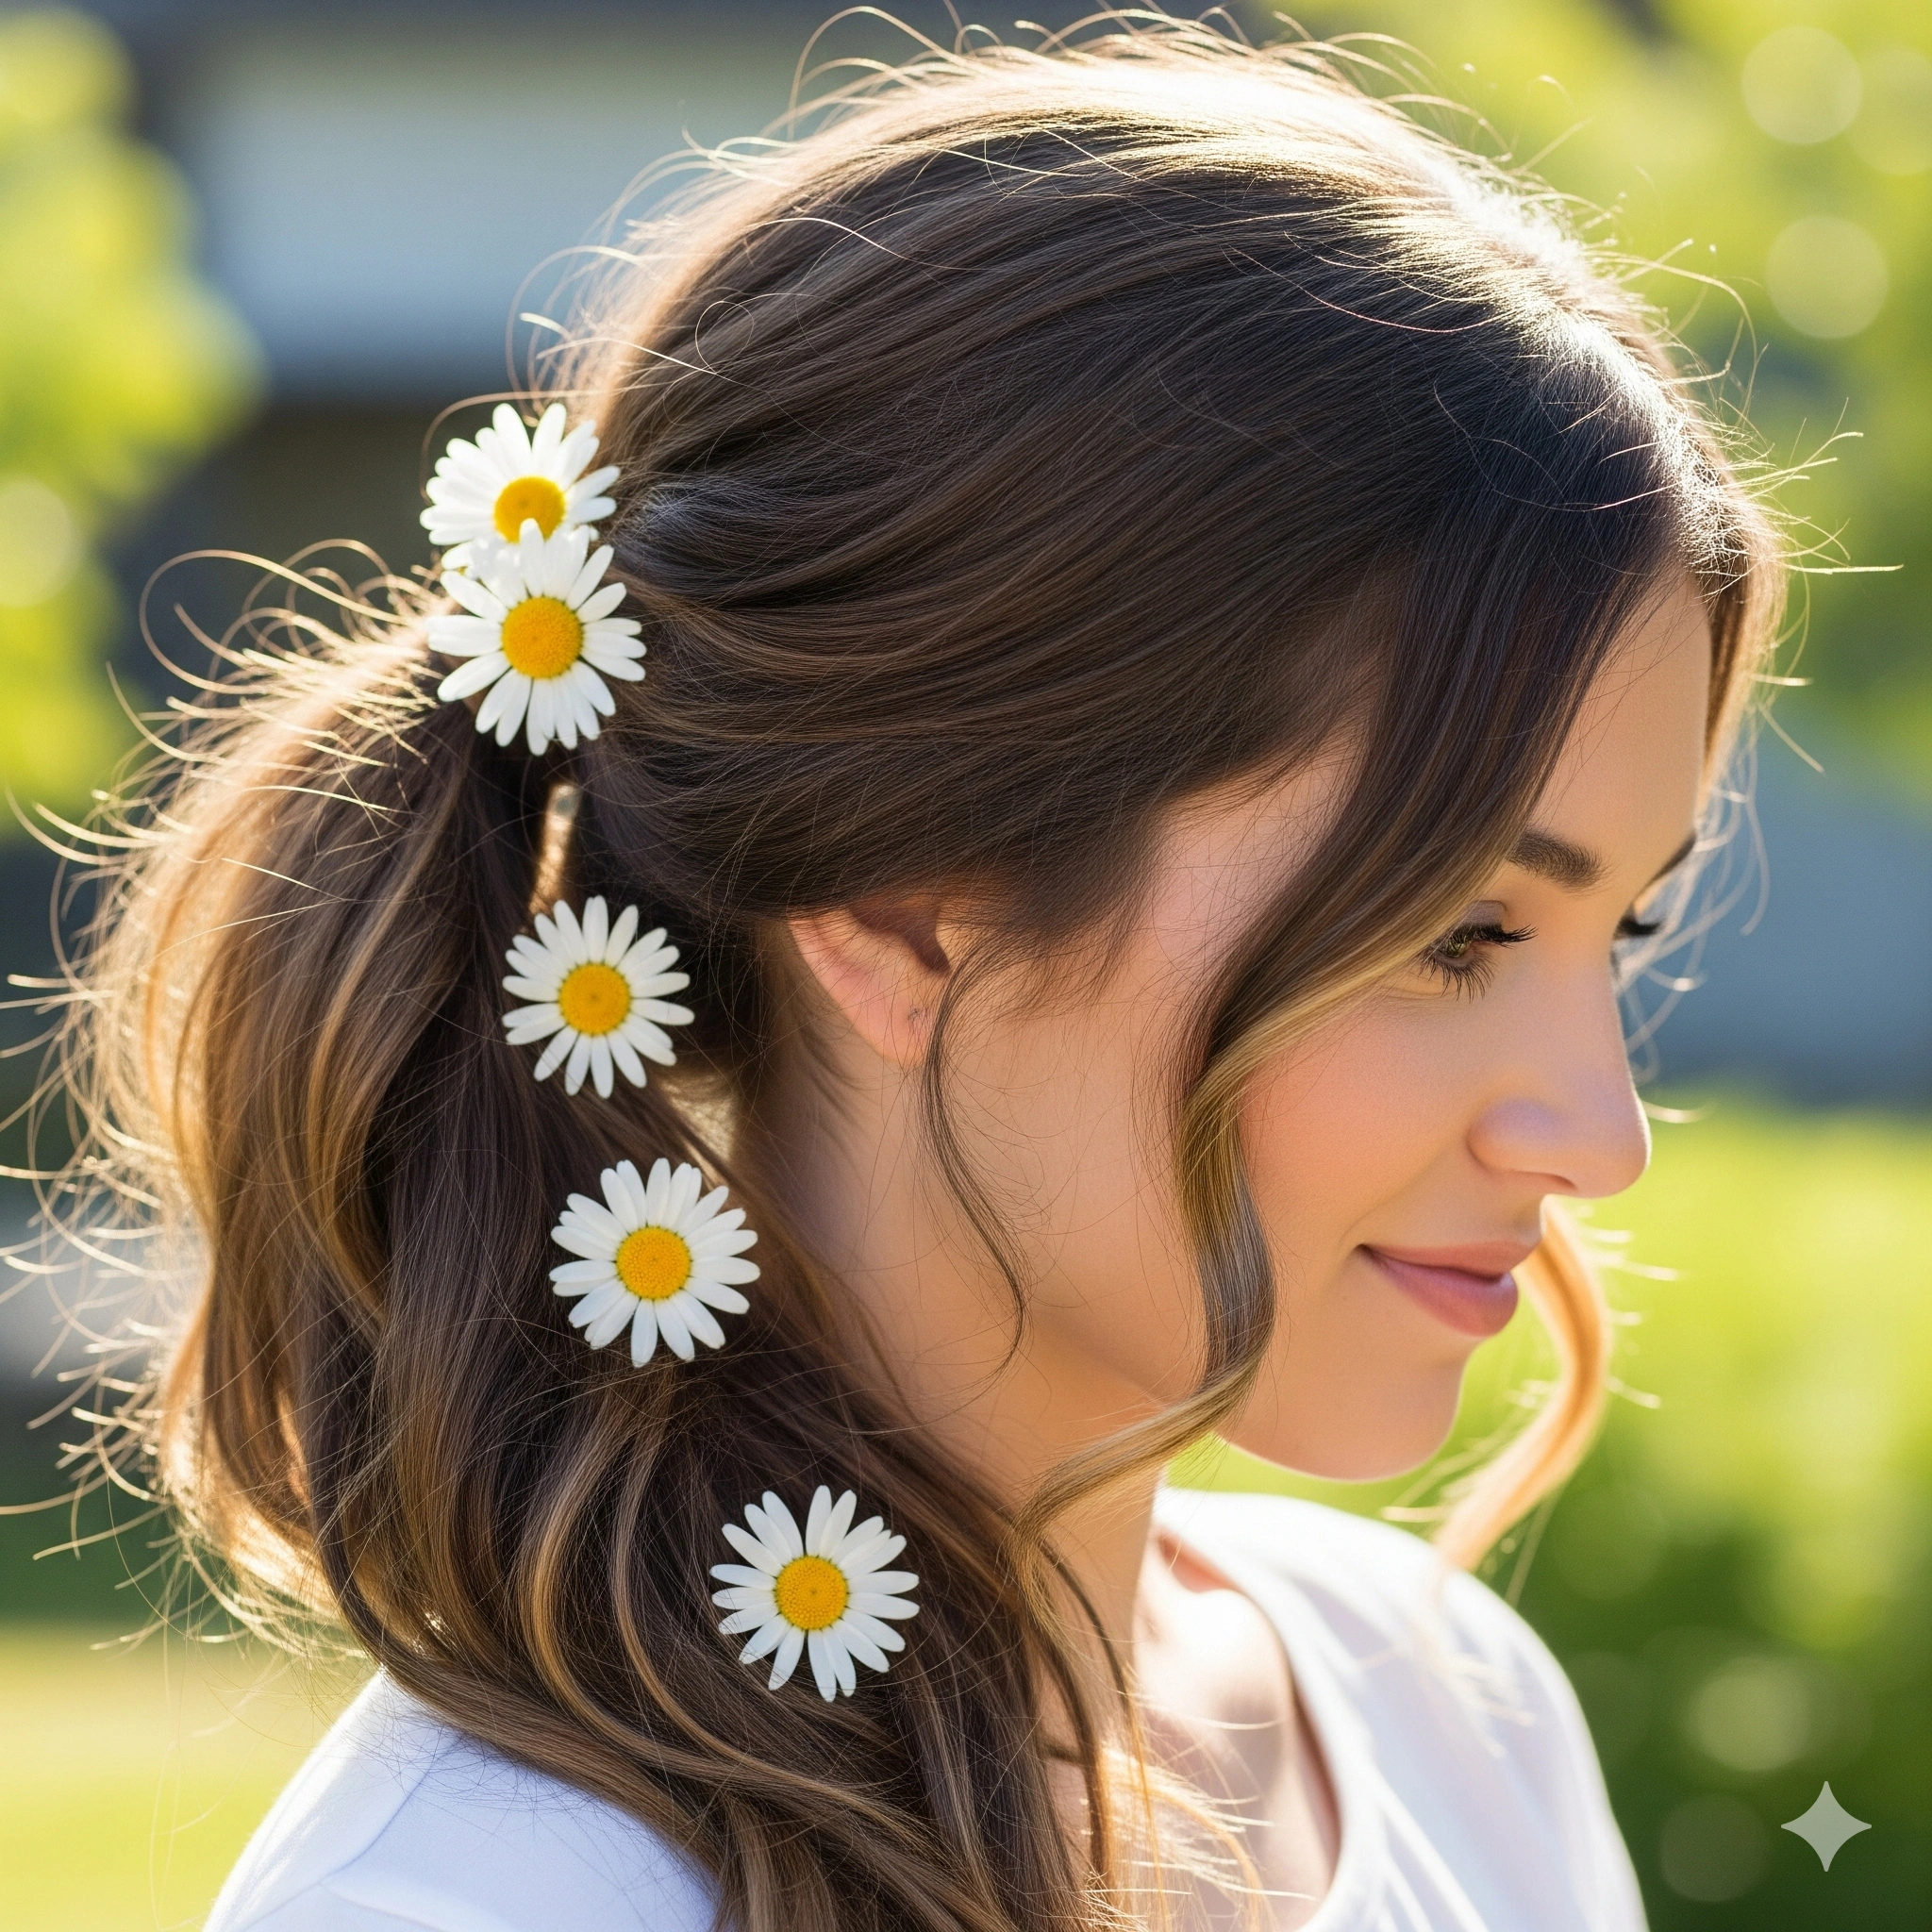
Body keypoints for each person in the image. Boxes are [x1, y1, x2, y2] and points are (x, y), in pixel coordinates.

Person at [76, 19, 1778, 1932]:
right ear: (901, 913)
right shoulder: (498, 1900)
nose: (1600, 1137)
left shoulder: (1443, 1718)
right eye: (1455, 934)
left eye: (1610, 930)